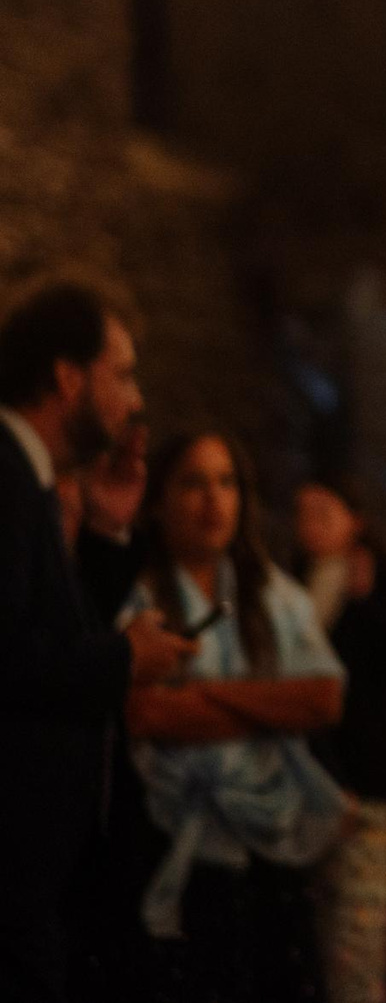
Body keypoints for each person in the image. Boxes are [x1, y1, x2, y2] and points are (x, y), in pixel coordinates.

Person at [0, 280, 194, 1003]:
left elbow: (56, 630)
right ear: (67, 376)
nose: (135, 399)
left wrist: (110, 533)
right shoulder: (5, 475)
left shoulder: (31, 477)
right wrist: (124, 659)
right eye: (123, 372)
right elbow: (11, 655)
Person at [112, 426, 349, 1002]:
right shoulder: (137, 594)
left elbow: (322, 699)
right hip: (167, 839)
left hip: (268, 847)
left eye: (227, 483)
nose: (214, 501)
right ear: (160, 499)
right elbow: (144, 715)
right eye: (194, 484)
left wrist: (208, 696)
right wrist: (269, 705)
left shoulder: (273, 594)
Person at [292, 479, 386, 1003]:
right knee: (304, 942)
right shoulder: (290, 584)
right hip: (296, 784)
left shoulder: (379, 576)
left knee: (358, 943)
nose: (310, 525)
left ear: (354, 518)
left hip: (366, 781)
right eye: (302, 514)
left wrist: (368, 602)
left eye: (323, 512)